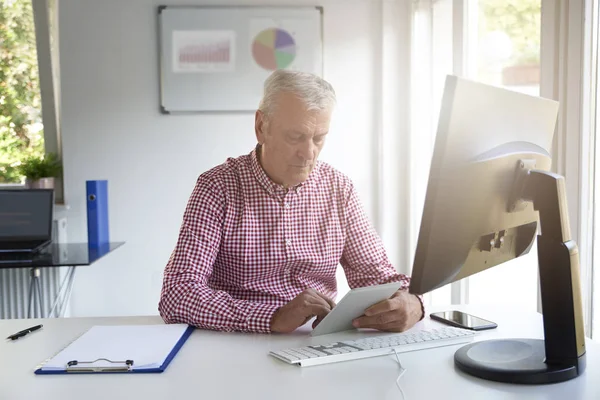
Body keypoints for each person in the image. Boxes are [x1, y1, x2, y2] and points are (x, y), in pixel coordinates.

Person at [158, 70, 424, 334]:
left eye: (319, 138)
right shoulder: (218, 188)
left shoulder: (339, 188)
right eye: (295, 137)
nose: (309, 153)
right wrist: (272, 317)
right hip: (241, 340)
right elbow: (177, 294)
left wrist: (413, 302)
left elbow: (377, 277)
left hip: (317, 340)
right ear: (262, 127)